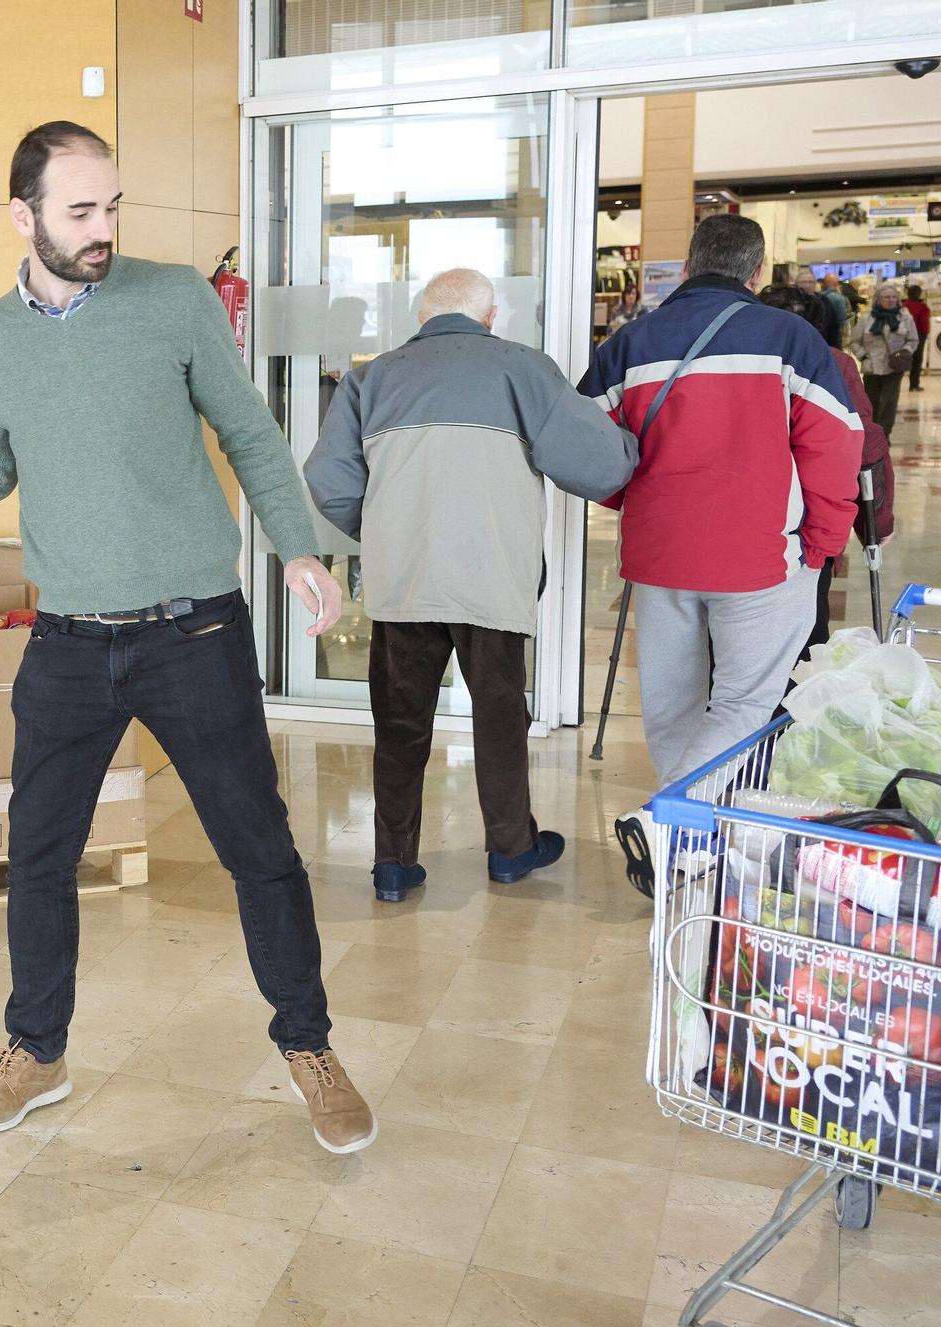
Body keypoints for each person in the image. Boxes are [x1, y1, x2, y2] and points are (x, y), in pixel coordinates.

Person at [0, 122, 376, 1155]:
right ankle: (36, 1051)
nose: (103, 228)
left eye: (111, 207)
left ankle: (308, 1045)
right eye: (80, 211)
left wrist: (298, 548)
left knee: (258, 849)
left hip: (193, 630)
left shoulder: (174, 301)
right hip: (66, 643)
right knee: (37, 853)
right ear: (22, 218)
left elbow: (247, 431)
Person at [304, 269, 638, 903]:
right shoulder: (523, 369)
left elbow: (330, 480)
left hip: (403, 582)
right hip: (493, 577)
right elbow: (599, 464)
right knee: (500, 714)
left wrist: (384, 532)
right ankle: (510, 850)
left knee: (400, 723)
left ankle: (393, 864)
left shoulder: (371, 379)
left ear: (421, 318)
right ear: (489, 318)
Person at [581, 216, 859, 894]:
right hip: (760, 555)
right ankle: (667, 821)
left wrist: (632, 501)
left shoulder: (630, 343)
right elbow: (834, 443)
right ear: (757, 272)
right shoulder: (790, 339)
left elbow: (585, 446)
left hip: (659, 553)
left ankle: (686, 842)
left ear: (686, 266)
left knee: (671, 704)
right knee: (742, 701)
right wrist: (823, 543)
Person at [758, 284, 895, 650]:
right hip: (810, 524)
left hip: (746, 518)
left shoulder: (735, 359)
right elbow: (863, 445)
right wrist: (875, 524)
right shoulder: (834, 362)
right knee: (807, 630)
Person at [849, 282, 922, 436]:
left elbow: (913, 340)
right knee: (871, 402)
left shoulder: (905, 318)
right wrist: (863, 356)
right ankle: (872, 433)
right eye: (887, 297)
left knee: (889, 402)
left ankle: (884, 434)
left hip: (894, 367)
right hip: (872, 367)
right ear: (878, 299)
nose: (891, 300)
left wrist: (904, 353)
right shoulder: (867, 319)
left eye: (894, 297)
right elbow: (854, 341)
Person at [805, 271, 849, 344]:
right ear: (836, 283)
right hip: (831, 337)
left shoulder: (816, 298)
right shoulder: (839, 299)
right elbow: (841, 320)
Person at [905, 283, 930, 392]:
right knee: (917, 360)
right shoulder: (922, 307)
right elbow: (924, 323)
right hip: (918, 335)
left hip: (903, 335)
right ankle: (914, 384)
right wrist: (926, 333)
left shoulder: (903, 305)